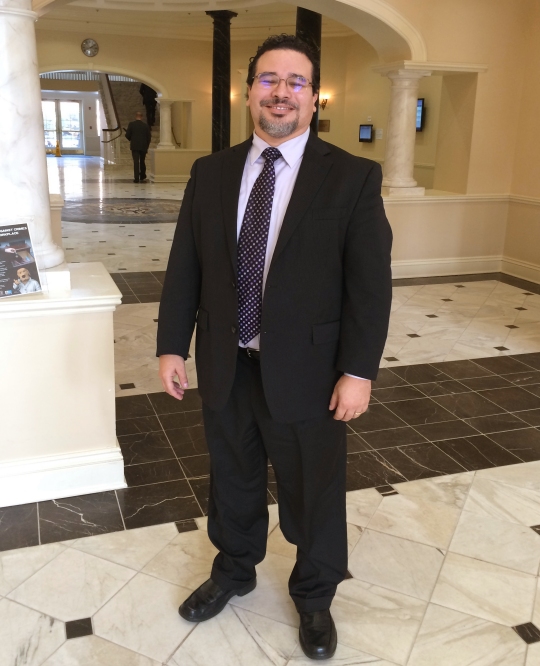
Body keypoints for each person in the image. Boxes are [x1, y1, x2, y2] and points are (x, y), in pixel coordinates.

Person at [157, 34, 392, 661]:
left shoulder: (352, 177)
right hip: (228, 363)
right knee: (231, 479)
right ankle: (233, 572)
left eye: (294, 81)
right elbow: (185, 266)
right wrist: (172, 345)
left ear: (313, 97)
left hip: (312, 373)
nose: (280, 92)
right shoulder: (211, 173)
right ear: (248, 91)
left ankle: (314, 596)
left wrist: (359, 372)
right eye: (268, 79)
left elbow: (370, 289)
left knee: (314, 489)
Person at [125, 112, 151, 183]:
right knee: (142, 161)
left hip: (135, 146)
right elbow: (148, 137)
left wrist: (131, 139)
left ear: (135, 116)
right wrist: (147, 145)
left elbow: (127, 135)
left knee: (136, 162)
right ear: (141, 117)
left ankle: (136, 178)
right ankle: (142, 176)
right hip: (143, 146)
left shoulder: (131, 124)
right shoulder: (145, 125)